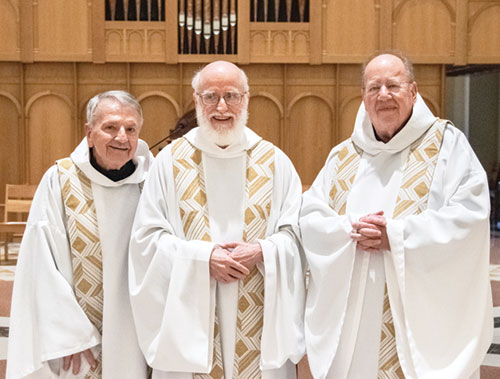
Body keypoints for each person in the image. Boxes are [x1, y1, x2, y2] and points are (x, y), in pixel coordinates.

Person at [300, 52, 492, 379]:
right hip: (354, 326)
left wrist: (397, 236)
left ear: (414, 91)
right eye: (374, 87)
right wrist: (348, 230)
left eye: (393, 85)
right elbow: (310, 217)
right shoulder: (343, 156)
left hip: (421, 321)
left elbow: (470, 216)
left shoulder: (447, 146)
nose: (383, 95)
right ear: (363, 97)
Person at [129, 60, 305, 379]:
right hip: (187, 327)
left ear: (246, 99)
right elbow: (147, 240)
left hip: (259, 323)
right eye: (210, 96)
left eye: (232, 96)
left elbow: (296, 236)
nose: (221, 106)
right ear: (196, 100)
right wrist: (201, 258)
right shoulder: (169, 163)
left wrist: (262, 251)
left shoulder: (276, 163)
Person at [7, 90, 152, 379]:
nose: (121, 137)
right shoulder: (60, 180)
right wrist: (67, 334)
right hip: (78, 339)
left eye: (130, 129)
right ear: (89, 132)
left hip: (136, 332)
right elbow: (40, 259)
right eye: (110, 127)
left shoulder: (151, 182)